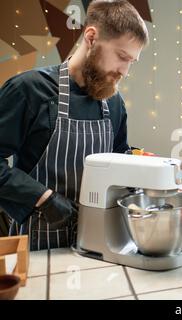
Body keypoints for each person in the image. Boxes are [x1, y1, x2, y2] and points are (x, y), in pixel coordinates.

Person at [0, 0, 148, 250]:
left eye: (131, 61)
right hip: (38, 240)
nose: (125, 71)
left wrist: (142, 169)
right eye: (122, 56)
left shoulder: (114, 104)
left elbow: (119, 156)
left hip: (99, 240)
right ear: (91, 37)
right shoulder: (28, 90)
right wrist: (44, 199)